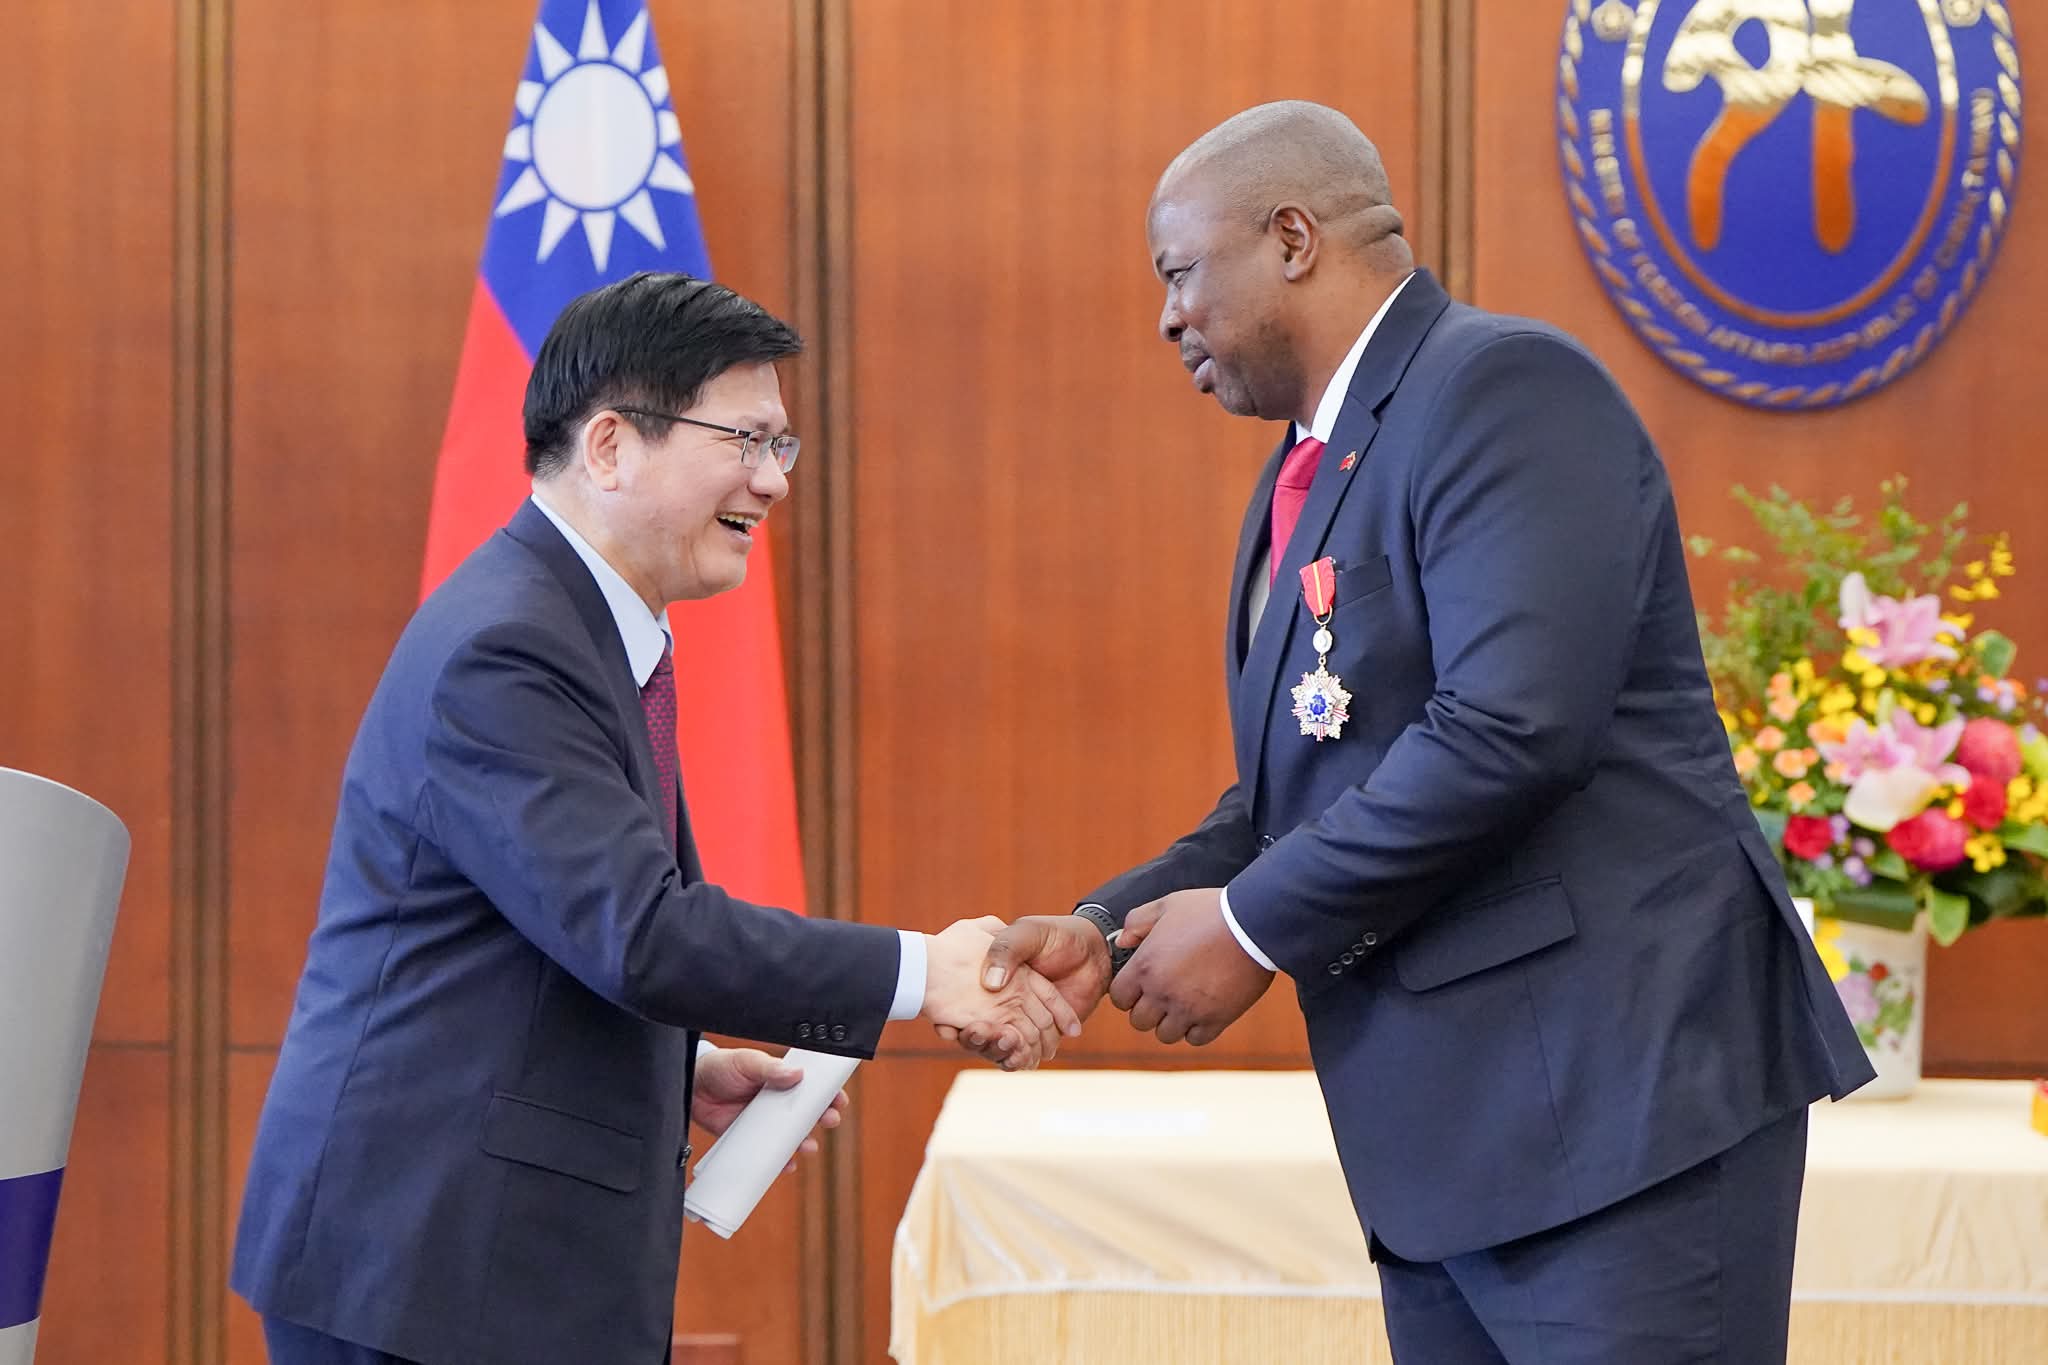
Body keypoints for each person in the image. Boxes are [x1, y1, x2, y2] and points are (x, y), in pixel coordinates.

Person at [974, 102, 1873, 1363]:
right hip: (1458, 1149)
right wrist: (1111, 922)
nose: (1167, 318)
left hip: (1612, 1118)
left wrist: (1248, 927)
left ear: (1293, 238)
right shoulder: (1316, 461)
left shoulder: (1501, 388)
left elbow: (1511, 728)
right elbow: (1305, 780)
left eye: (1178, 273)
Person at [232, 273, 1076, 1365]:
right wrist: (928, 972)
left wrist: (673, 1067)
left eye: (782, 445)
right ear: (611, 447)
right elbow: (642, 932)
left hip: (469, 1257)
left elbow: (546, 935)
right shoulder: (510, 648)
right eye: (746, 440)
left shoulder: (574, 626)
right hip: (421, 1264)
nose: (774, 480)